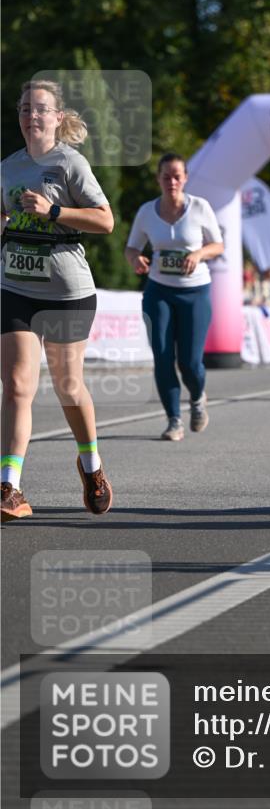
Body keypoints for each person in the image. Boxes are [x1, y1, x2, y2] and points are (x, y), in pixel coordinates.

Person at [1, 79, 115, 522]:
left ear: (58, 118)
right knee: (17, 386)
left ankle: (92, 467)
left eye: (41, 109)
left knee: (68, 387)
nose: (32, 116)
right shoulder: (8, 167)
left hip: (67, 291)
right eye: (26, 108)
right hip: (14, 286)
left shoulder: (71, 164)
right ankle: (10, 486)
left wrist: (52, 210)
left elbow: (105, 220)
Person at [125, 154, 224, 441]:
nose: (172, 182)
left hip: (195, 292)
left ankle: (196, 399)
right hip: (159, 291)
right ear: (158, 179)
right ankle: (173, 421)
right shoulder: (146, 212)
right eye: (166, 176)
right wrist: (136, 261)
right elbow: (131, 248)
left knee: (191, 363)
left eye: (177, 176)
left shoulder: (200, 208)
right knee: (163, 356)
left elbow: (218, 245)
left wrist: (198, 253)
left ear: (185, 178)